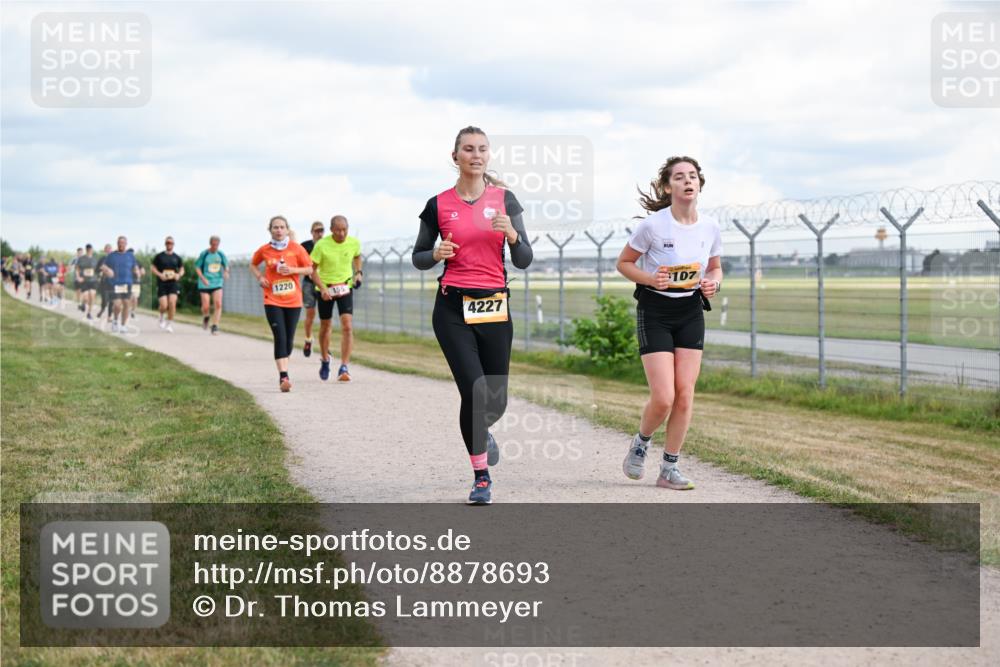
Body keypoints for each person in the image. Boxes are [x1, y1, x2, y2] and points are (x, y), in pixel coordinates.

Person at [412, 126, 533, 505]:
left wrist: (513, 235)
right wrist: (436, 254)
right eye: (468, 149)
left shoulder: (505, 200)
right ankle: (481, 476)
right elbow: (418, 257)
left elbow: (524, 259)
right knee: (475, 391)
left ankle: (482, 430)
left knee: (495, 400)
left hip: (495, 306)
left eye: (482, 149)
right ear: (456, 157)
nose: (475, 155)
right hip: (452, 309)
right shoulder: (438, 204)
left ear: (488, 156)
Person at [617, 156, 722, 490]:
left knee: (685, 396)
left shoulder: (710, 228)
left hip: (690, 311)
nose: (688, 181)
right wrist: (651, 279)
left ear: (700, 185)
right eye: (679, 177)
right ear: (667, 186)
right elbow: (624, 263)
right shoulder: (653, 226)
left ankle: (669, 469)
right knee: (664, 397)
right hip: (656, 312)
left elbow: (715, 268)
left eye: (693, 176)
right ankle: (641, 442)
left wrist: (713, 283)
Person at [250, 216, 313, 392]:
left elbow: (309, 269)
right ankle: (283, 376)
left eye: (282, 227)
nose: (278, 230)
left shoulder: (296, 249)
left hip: (293, 301)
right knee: (280, 336)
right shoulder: (265, 250)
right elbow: (253, 264)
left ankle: (284, 369)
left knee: (289, 341)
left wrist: (292, 270)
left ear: (287, 230)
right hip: (272, 300)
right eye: (275, 227)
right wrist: (260, 277)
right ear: (270, 230)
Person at [309, 215, 362, 381]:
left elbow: (357, 256)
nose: (341, 233)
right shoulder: (321, 245)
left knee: (347, 326)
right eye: (338, 230)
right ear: (331, 230)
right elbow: (312, 270)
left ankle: (344, 366)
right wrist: (323, 289)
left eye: (344, 229)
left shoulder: (353, 242)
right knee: (326, 326)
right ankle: (325, 359)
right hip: (325, 289)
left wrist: (358, 273)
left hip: (345, 287)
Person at [100, 236, 139, 334]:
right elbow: (103, 266)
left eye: (123, 243)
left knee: (126, 304)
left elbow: (135, 267)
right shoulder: (111, 255)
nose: (121, 244)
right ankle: (115, 320)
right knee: (117, 305)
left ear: (126, 244)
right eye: (119, 242)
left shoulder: (130, 256)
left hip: (127, 284)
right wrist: (107, 270)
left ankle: (123, 325)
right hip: (114, 284)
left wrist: (137, 271)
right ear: (117, 244)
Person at [299, 221, 325, 356]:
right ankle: (308, 339)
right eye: (317, 231)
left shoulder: (327, 245)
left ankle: (324, 345)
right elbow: (298, 264)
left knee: (325, 317)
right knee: (310, 314)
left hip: (324, 283)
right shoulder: (305, 246)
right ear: (312, 232)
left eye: (322, 230)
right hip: (309, 284)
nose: (319, 233)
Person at [195, 235, 230, 335]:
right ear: (210, 244)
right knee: (206, 306)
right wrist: (203, 278)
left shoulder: (220, 254)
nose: (215, 247)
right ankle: (206, 317)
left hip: (217, 282)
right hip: (205, 283)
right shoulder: (204, 254)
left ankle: (215, 326)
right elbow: (197, 267)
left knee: (218, 304)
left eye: (217, 245)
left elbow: (226, 265)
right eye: (213, 245)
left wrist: (226, 272)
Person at [152, 237, 184, 333]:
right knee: (164, 305)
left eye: (171, 243)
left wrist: (179, 275)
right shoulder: (159, 256)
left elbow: (182, 269)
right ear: (165, 244)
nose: (169, 244)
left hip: (173, 283)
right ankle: (161, 316)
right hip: (162, 283)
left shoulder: (177, 257)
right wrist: (160, 275)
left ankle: (169, 323)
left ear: (173, 244)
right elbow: (153, 267)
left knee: (172, 303)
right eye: (167, 243)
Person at [75, 244, 100, 319]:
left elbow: (98, 270)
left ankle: (89, 313)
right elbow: (77, 269)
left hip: (93, 280)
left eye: (90, 249)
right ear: (86, 250)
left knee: (92, 296)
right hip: (84, 280)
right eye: (88, 249)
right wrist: (78, 277)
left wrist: (99, 277)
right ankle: (83, 303)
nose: (89, 250)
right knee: (86, 298)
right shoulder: (81, 259)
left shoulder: (95, 259)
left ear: (92, 250)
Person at [95, 243, 114, 323]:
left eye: (110, 248)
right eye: (107, 248)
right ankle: (102, 309)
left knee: (112, 300)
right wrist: (100, 271)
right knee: (105, 300)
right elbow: (96, 270)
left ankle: (109, 316)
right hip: (104, 282)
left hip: (113, 282)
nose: (109, 250)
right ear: (105, 250)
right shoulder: (102, 259)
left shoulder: (115, 259)